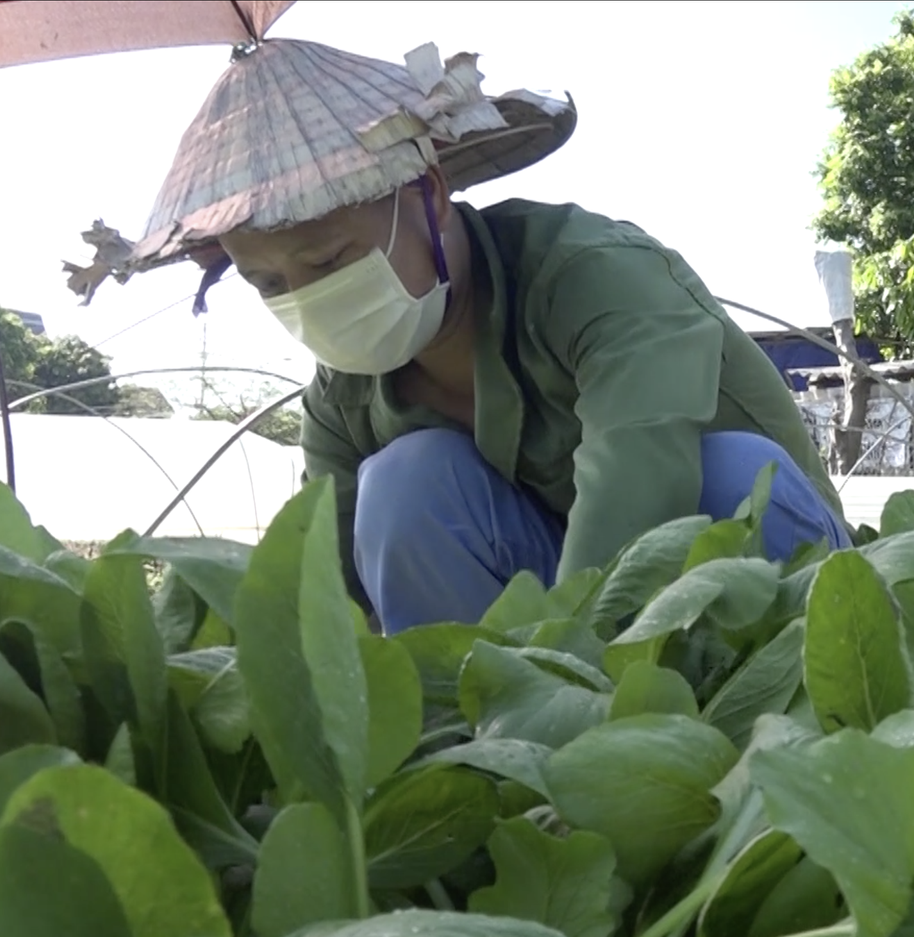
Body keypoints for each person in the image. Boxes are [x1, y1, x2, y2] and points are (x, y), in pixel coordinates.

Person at [65, 39, 851, 635]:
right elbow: (329, 594)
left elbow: (635, 485)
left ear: (430, 195)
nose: (305, 296)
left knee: (729, 474)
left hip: (759, 591)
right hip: (556, 634)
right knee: (404, 483)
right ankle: (482, 755)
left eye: (329, 259)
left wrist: (558, 683)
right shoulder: (345, 403)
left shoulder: (595, 274)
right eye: (267, 282)